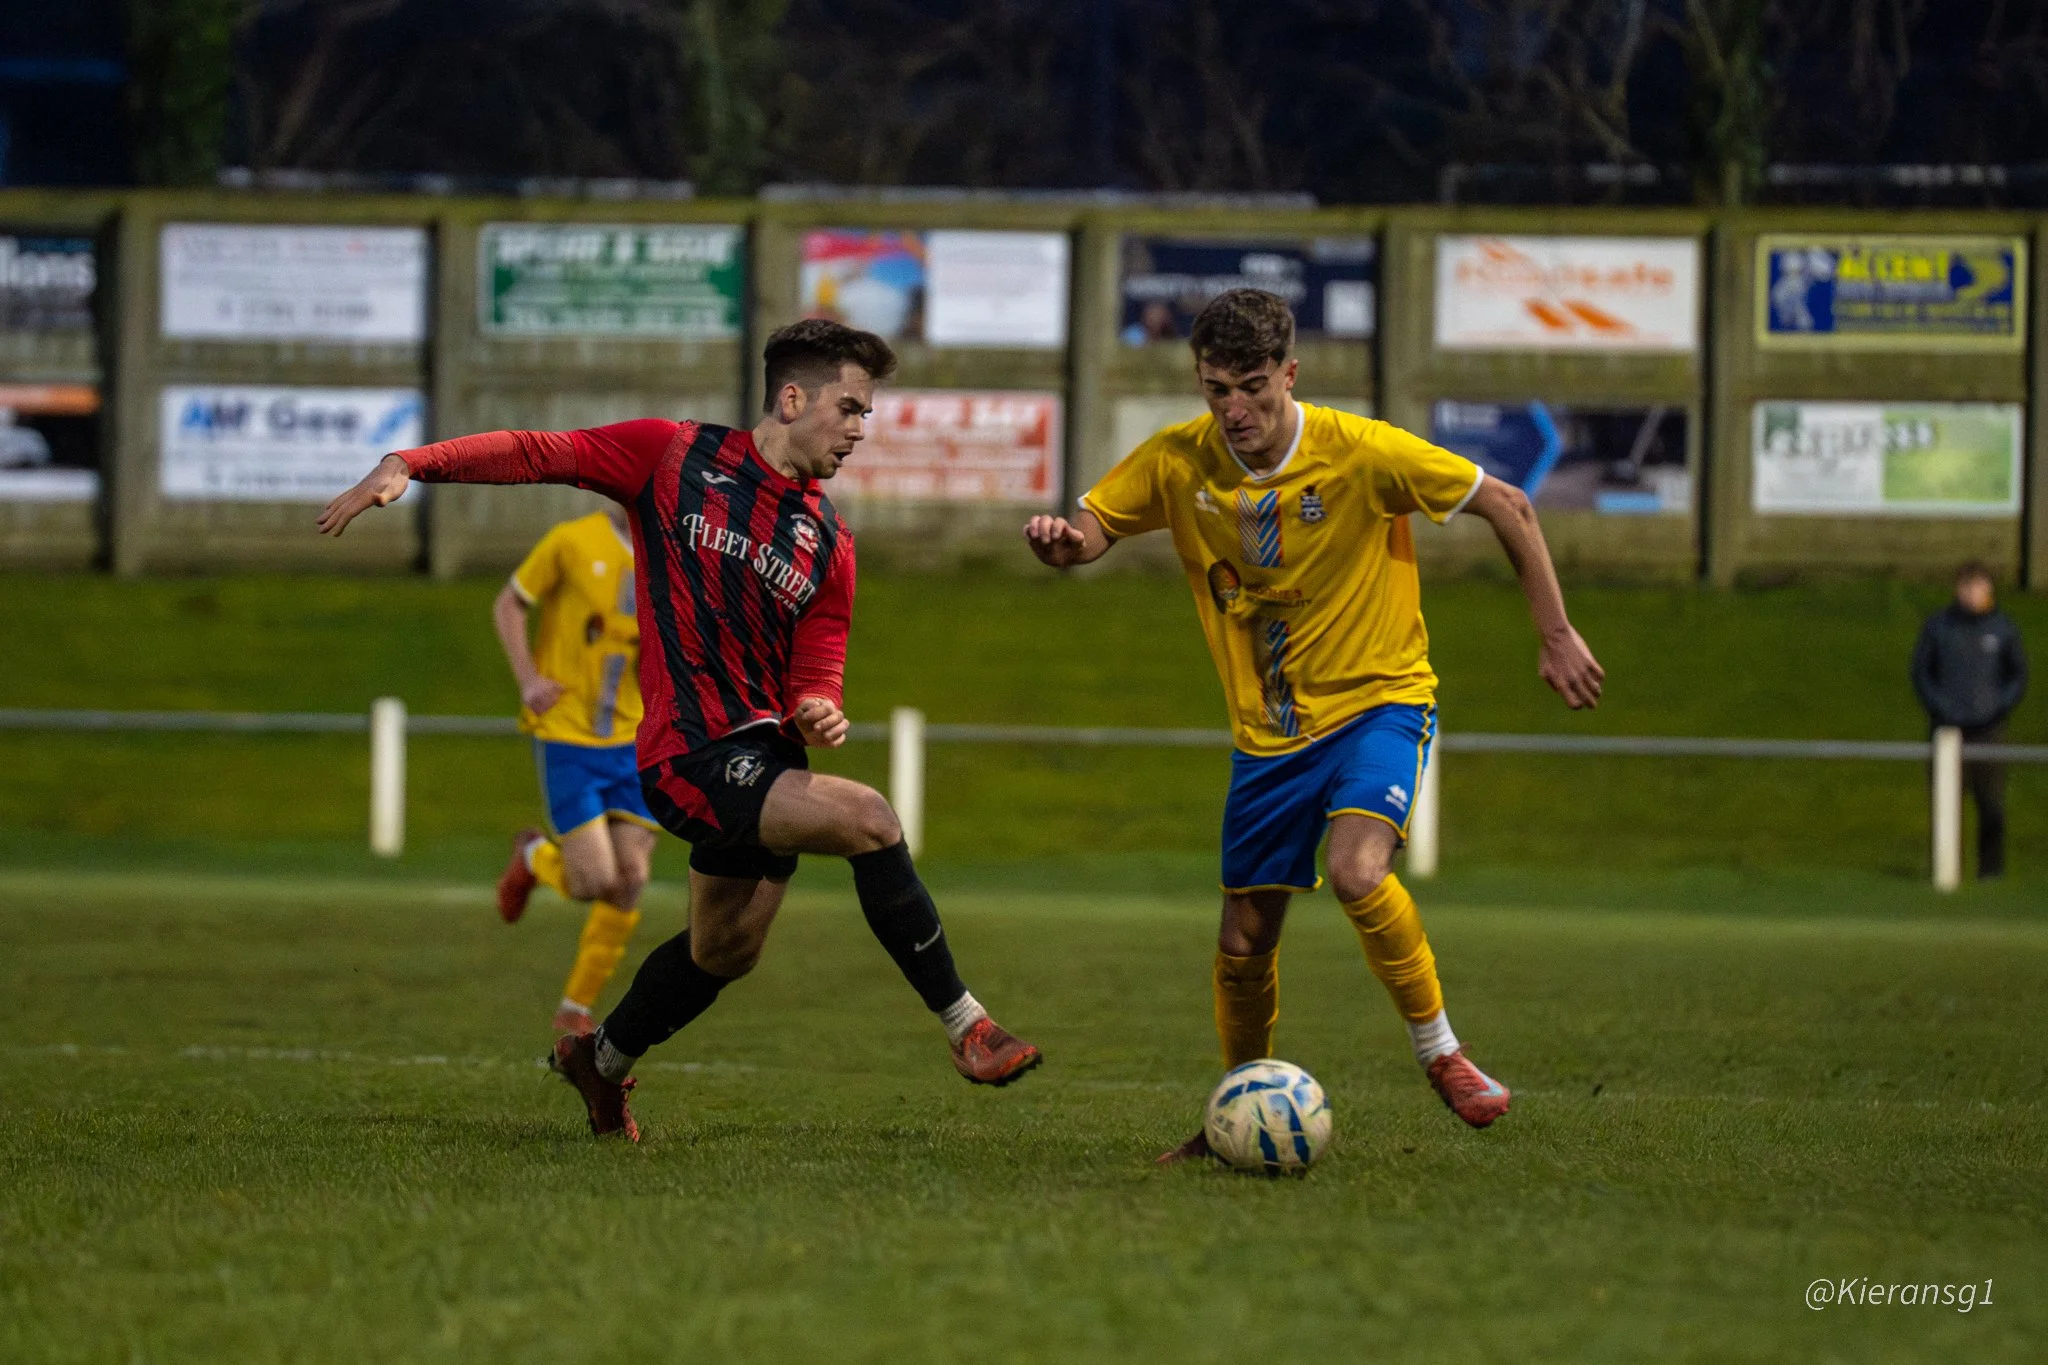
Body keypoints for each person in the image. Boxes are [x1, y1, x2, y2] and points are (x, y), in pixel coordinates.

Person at [319, 319, 1041, 1142]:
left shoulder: (830, 542)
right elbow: (538, 451)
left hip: (765, 756)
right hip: (688, 753)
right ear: (792, 398)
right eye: (849, 408)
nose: (859, 429)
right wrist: (410, 461)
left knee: (725, 951)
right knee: (871, 819)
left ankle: (599, 1060)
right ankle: (967, 1026)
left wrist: (819, 704)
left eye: (866, 413)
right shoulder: (673, 455)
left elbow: (819, 662)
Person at [1023, 289, 1604, 1161]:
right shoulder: (1179, 460)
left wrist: (1555, 633)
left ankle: (1443, 1053)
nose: (1234, 408)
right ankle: (1238, 1109)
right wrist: (1067, 546)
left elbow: (1510, 504)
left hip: (1379, 701)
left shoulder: (1363, 452)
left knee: (1357, 869)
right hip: (1269, 737)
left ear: (1289, 373)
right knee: (1243, 938)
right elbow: (1097, 525)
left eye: (1252, 386)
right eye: (1217, 388)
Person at [490, 504, 658, 1039]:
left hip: (635, 739)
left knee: (632, 877)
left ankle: (575, 1008)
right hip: (568, 734)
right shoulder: (571, 541)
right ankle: (534, 856)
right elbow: (509, 604)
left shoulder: (672, 554)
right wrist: (528, 680)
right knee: (592, 882)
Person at [1913, 563, 2029, 879]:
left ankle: (1991, 871)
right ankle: (1943, 870)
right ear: (1959, 589)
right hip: (1947, 728)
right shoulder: (1938, 627)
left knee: (1991, 802)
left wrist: (1998, 706)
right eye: (1969, 586)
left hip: (1989, 730)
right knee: (1945, 801)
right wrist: (1940, 707)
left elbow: (2017, 675)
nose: (1974, 593)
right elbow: (1922, 672)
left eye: (1980, 586)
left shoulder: (2003, 629)